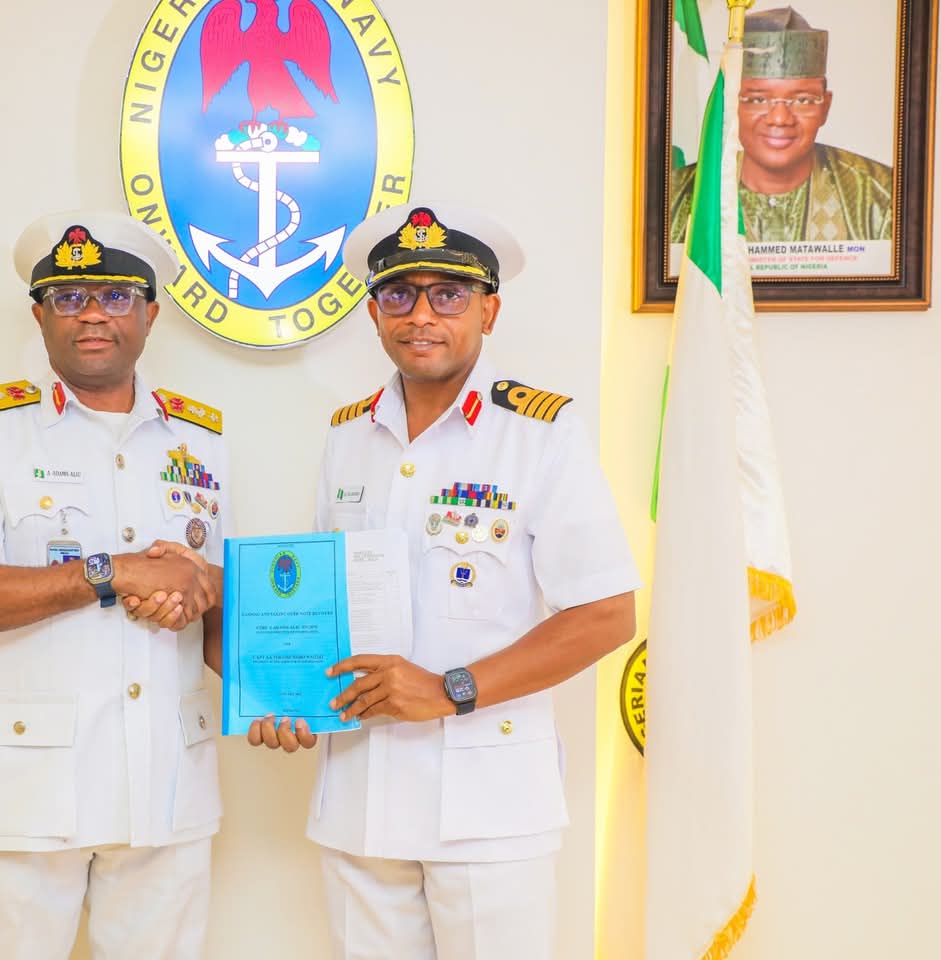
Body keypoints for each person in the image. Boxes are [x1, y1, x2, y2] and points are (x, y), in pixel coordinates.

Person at [247, 204, 640, 960]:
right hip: (359, 799)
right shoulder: (346, 436)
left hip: (488, 811)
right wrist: (287, 694)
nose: (421, 315)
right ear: (374, 313)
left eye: (448, 295)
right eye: (400, 294)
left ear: (488, 311)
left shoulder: (539, 433)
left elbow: (605, 613)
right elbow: (325, 606)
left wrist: (448, 688)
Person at [0, 211, 230, 960]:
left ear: (151, 314)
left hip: (167, 786)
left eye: (116, 296)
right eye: (68, 297)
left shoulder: (201, 439)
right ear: (39, 315)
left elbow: (205, 605)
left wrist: (211, 603)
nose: (92, 313)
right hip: (30, 795)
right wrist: (110, 572)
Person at [669, 6, 893, 244]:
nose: (780, 118)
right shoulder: (674, 198)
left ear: (825, 107)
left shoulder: (882, 196)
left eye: (802, 100)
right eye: (758, 99)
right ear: (730, 104)